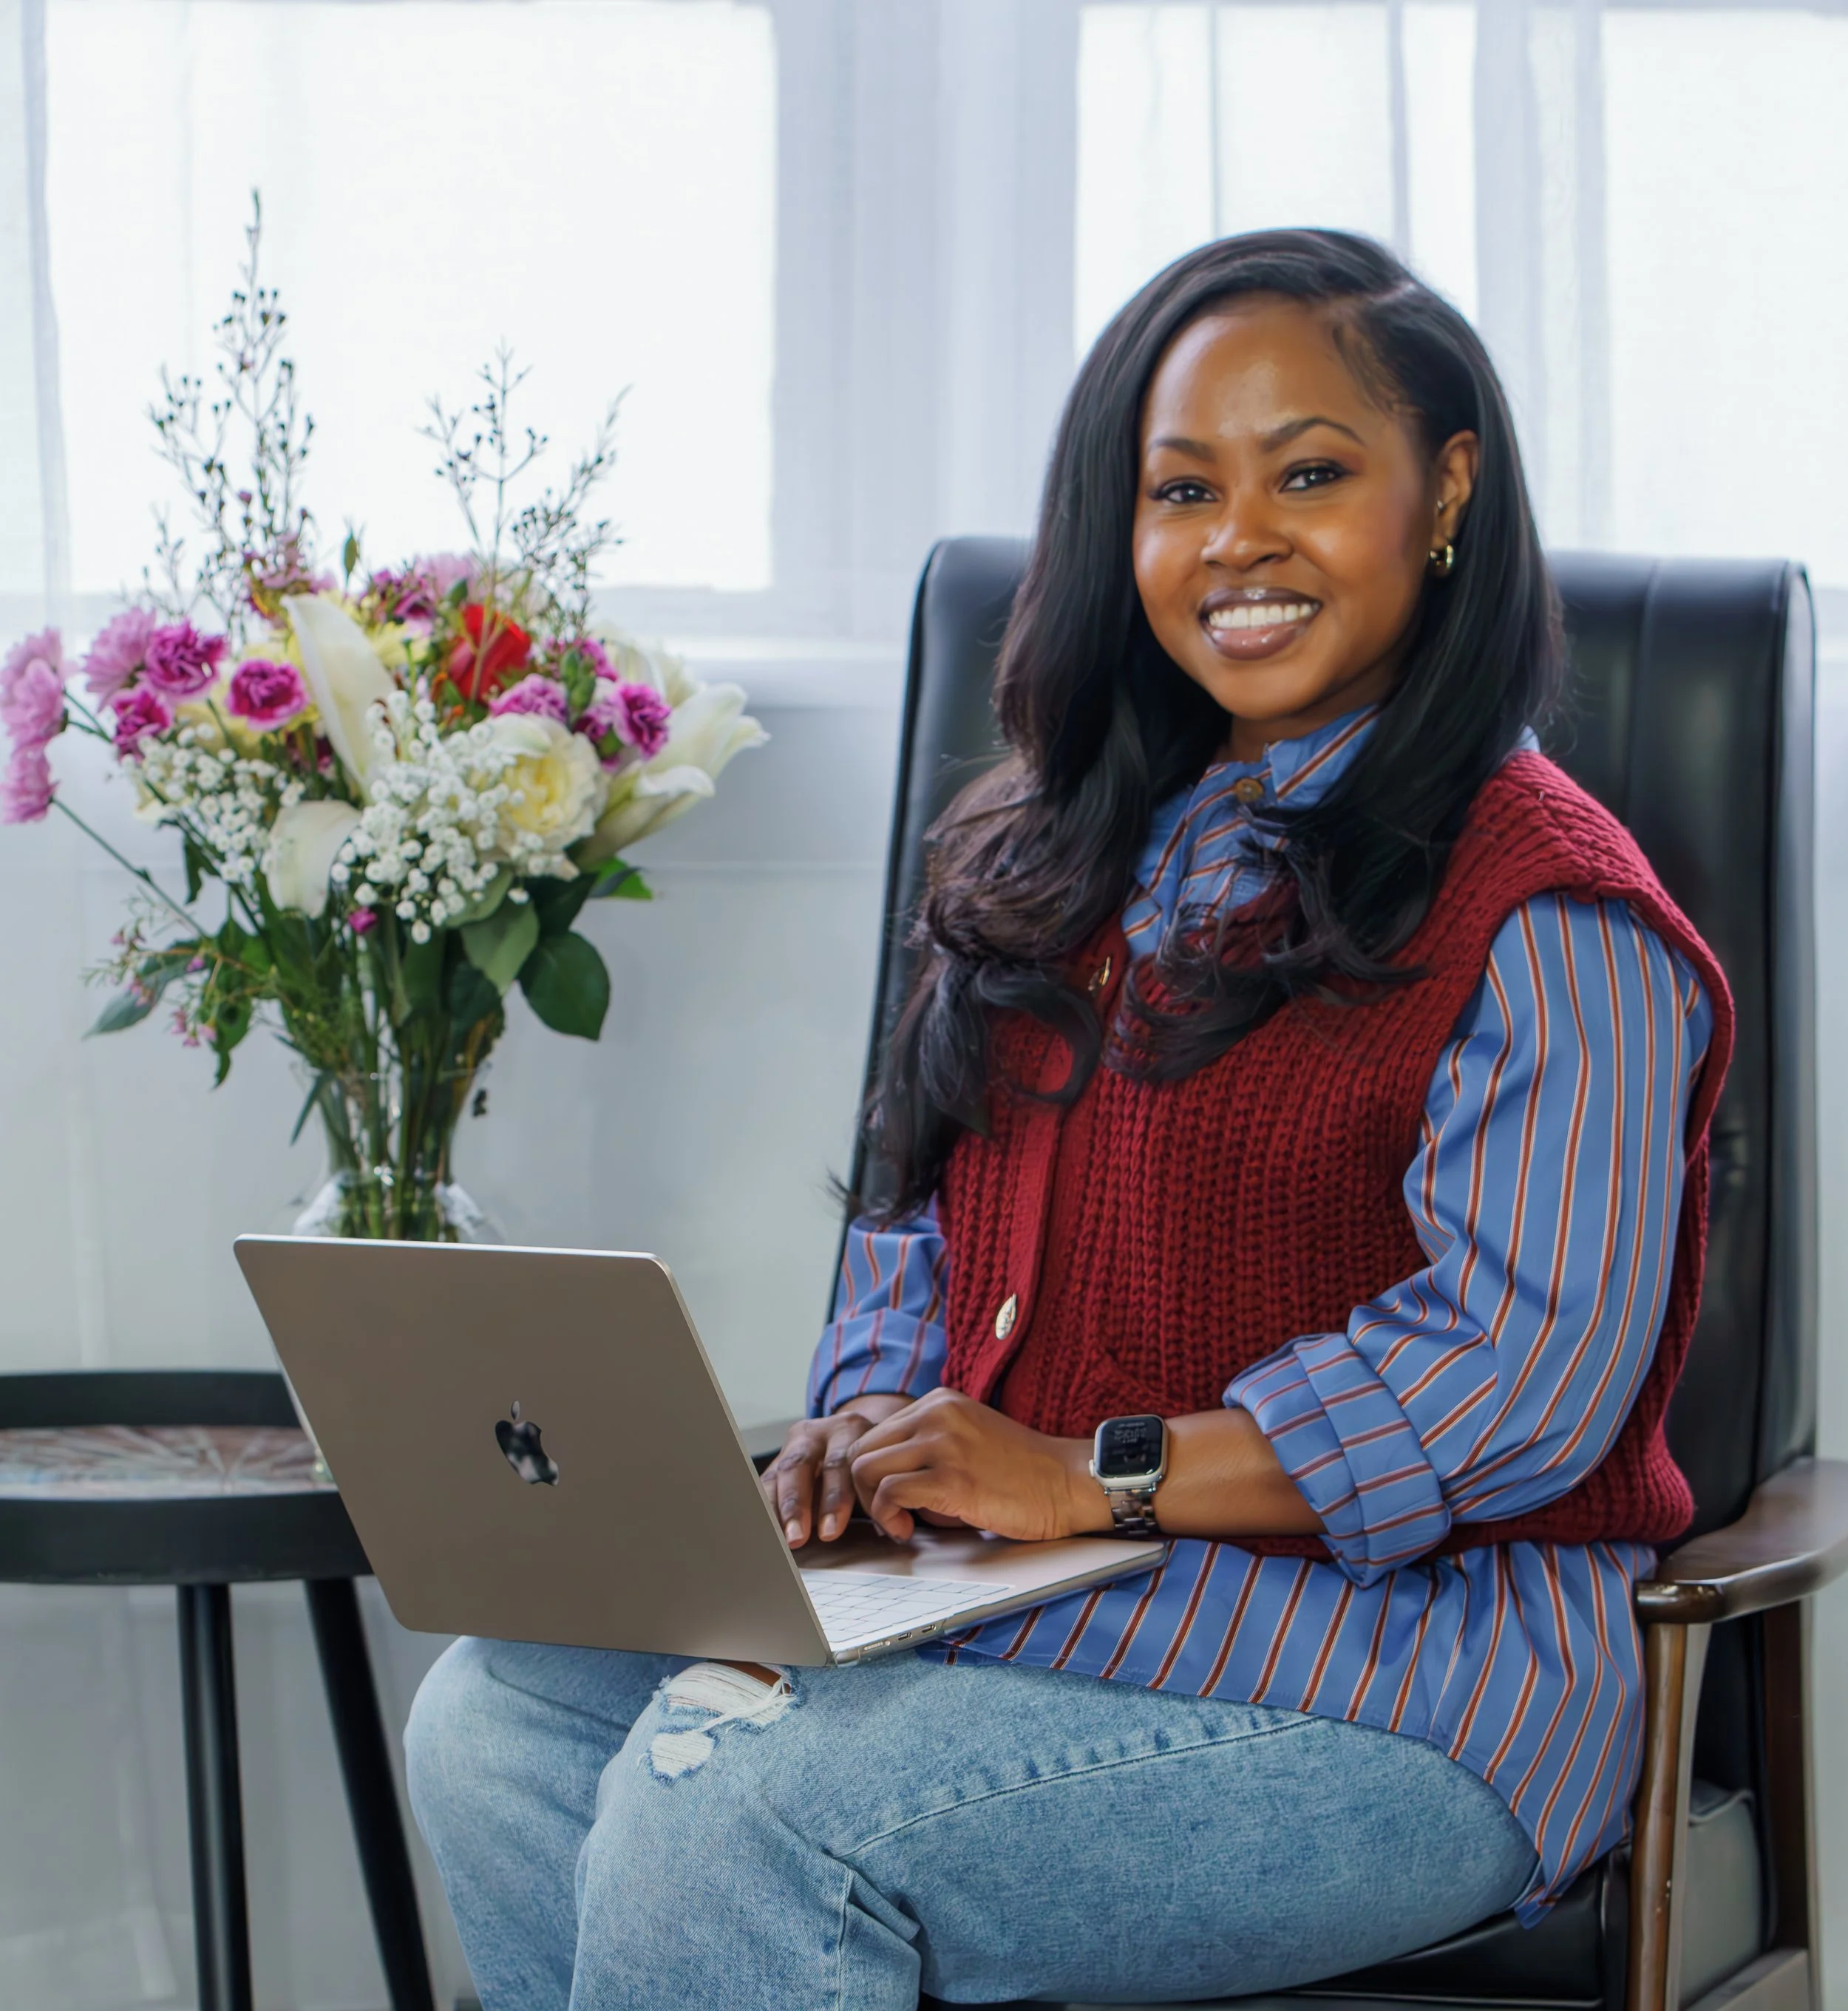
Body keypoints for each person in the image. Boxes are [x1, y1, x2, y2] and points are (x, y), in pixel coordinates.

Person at [404, 230, 1732, 2010]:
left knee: (739, 1820)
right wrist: (867, 1425)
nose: (1235, 539)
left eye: (1310, 473)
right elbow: (913, 1224)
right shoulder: (1041, 855)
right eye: (1179, 488)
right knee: (497, 1711)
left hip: (1407, 1682)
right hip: (1014, 1601)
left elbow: (1516, 1377)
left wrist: (1087, 1470)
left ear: (1447, 492)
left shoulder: (1550, 912)